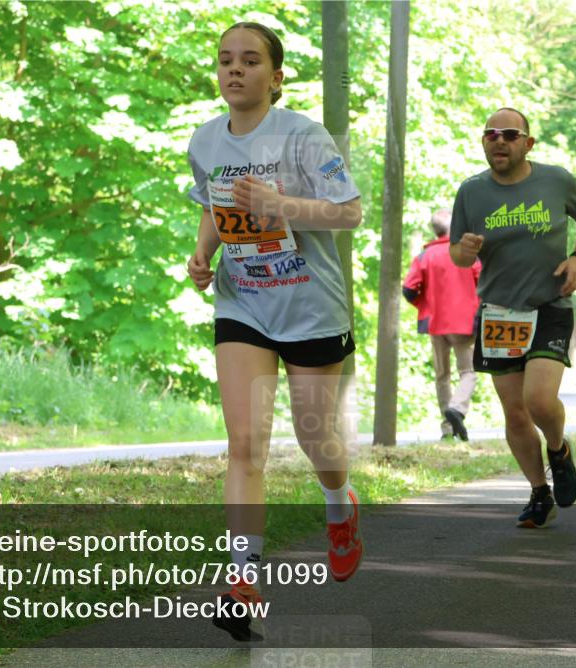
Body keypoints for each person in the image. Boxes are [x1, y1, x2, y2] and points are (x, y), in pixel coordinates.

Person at [186, 22, 364, 641]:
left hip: (312, 308)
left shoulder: (303, 137)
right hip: (246, 307)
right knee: (245, 443)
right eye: (226, 60)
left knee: (315, 439)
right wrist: (204, 256)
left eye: (251, 61)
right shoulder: (206, 141)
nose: (236, 70)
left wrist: (280, 205)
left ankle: (339, 504)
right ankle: (243, 581)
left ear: (276, 76)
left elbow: (350, 212)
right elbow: (213, 205)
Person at [450, 108, 576, 528]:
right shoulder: (472, 192)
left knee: (538, 399)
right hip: (499, 312)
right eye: (491, 134)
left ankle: (558, 448)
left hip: (549, 305)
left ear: (527, 143)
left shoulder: (555, 180)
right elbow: (459, 258)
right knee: (515, 413)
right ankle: (539, 492)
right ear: (483, 141)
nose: (500, 140)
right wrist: (465, 247)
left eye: (510, 134)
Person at [402, 208, 481, 441]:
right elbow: (483, 283)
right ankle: (457, 408)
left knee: (442, 376)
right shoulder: (466, 254)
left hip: (435, 323)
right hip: (464, 324)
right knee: (468, 372)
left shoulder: (424, 257)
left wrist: (424, 305)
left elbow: (408, 290)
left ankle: (447, 429)